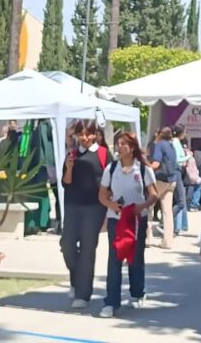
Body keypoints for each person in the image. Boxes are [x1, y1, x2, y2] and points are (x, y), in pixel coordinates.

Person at [98, 131, 158, 318]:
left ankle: (137, 292)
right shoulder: (111, 168)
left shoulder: (143, 170)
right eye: (118, 143)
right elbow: (102, 195)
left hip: (137, 219)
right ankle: (111, 302)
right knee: (114, 259)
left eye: (124, 143)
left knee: (135, 257)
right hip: (116, 219)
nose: (119, 147)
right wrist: (111, 205)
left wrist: (141, 207)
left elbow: (153, 195)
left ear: (132, 148)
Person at [61, 120, 112, 309]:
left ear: (94, 134)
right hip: (72, 206)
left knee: (87, 248)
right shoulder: (72, 154)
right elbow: (66, 183)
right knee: (66, 244)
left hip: (94, 207)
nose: (84, 138)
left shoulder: (103, 154)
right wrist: (69, 167)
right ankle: (77, 279)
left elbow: (111, 179)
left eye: (88, 134)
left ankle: (83, 293)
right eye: (81, 134)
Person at [149, 126, 179, 248]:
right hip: (172, 180)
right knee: (167, 212)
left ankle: (148, 238)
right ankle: (167, 241)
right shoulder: (172, 146)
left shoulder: (160, 145)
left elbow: (156, 163)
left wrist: (146, 167)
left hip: (160, 180)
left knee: (148, 207)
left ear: (160, 134)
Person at [172, 124, 191, 234]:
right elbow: (178, 159)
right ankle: (167, 220)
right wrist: (188, 156)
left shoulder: (175, 142)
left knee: (180, 200)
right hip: (177, 172)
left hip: (177, 172)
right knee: (181, 202)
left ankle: (178, 225)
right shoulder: (176, 143)